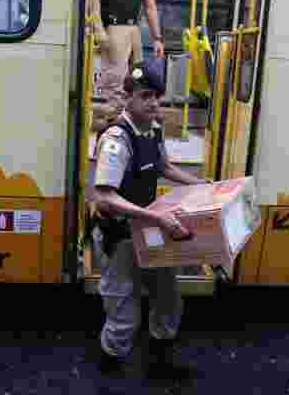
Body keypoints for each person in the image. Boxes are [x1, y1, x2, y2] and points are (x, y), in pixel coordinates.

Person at [88, 57, 206, 382]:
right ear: (128, 98)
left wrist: (205, 186)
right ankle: (109, 369)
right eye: (145, 95)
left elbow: (164, 167)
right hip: (122, 235)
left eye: (156, 95)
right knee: (124, 313)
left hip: (150, 230)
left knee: (168, 299)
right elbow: (105, 197)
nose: (153, 101)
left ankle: (159, 364)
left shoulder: (153, 130)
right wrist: (157, 217)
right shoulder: (117, 139)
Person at [90, 0, 166, 128]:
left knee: (136, 82)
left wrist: (157, 38)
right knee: (116, 88)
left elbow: (150, 4)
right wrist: (98, 28)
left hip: (133, 30)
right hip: (114, 28)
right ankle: (104, 129)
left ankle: (128, 128)